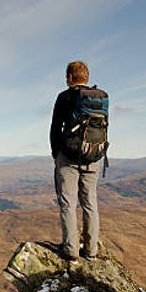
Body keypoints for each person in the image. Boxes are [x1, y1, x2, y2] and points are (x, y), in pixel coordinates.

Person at [49, 60, 100, 262]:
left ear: (70, 77)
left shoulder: (64, 97)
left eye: (66, 76)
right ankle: (91, 250)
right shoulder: (98, 99)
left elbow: (55, 128)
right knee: (90, 203)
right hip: (93, 157)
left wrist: (56, 154)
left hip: (68, 158)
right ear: (85, 77)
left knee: (68, 204)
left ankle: (71, 251)